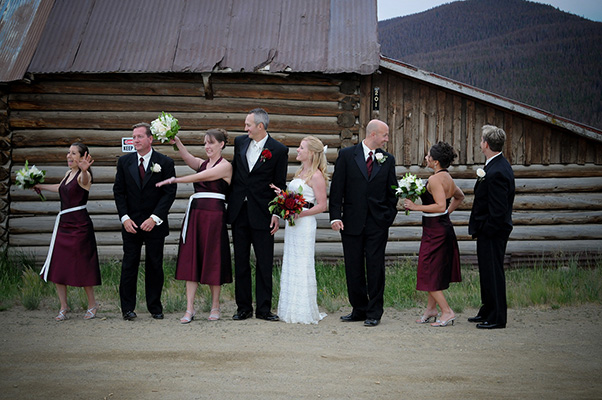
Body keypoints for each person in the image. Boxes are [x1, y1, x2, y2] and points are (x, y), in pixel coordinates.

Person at [156, 129, 232, 323]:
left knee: (213, 259)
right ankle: (189, 308)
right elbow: (189, 159)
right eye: (205, 143)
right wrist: (178, 142)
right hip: (196, 214)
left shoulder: (226, 166)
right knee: (193, 259)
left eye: (211, 143)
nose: (207, 146)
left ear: (221, 144)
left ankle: (215, 306)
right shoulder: (202, 163)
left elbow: (202, 177)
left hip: (214, 216)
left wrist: (175, 179)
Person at [329, 119, 398, 327]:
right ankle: (358, 309)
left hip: (377, 223)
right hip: (351, 222)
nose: (387, 139)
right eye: (385, 135)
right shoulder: (347, 156)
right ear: (373, 134)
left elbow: (392, 192)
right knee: (354, 266)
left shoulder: (388, 159)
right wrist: (335, 216)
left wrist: (387, 218)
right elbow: (337, 189)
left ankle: (374, 312)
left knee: (376, 267)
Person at [228, 108, 288, 321]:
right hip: (239, 212)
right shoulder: (240, 142)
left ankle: (264, 309)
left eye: (248, 125)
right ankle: (243, 308)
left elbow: (280, 185)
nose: (245, 129)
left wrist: (276, 214)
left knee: (264, 262)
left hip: (263, 213)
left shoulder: (279, 150)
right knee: (241, 261)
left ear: (260, 126)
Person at [113, 122, 177, 321]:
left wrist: (154, 218)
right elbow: (119, 192)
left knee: (155, 266)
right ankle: (127, 309)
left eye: (140, 136)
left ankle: (155, 307)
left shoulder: (165, 162)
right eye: (134, 137)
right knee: (129, 265)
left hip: (154, 225)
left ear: (150, 139)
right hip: (130, 224)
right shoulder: (124, 162)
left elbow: (169, 193)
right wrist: (124, 218)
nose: (136, 140)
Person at [34, 143, 101, 321]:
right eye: (68, 153)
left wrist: (85, 170)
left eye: (73, 153)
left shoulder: (83, 176)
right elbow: (61, 187)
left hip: (79, 226)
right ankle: (64, 306)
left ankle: (92, 304)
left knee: (83, 265)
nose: (69, 156)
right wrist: (41, 186)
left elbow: (85, 181)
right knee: (59, 265)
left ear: (82, 156)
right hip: (63, 225)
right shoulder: (68, 173)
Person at [403, 142, 465, 327]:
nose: (426, 158)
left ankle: (447, 311)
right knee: (434, 271)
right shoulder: (447, 177)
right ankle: (431, 309)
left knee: (427, 271)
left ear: (435, 161)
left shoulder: (436, 180)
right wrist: (445, 214)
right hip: (440, 227)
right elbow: (459, 197)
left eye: (428, 155)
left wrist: (416, 207)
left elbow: (440, 205)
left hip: (436, 231)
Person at [270, 136, 328, 324]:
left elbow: (322, 205)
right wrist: (283, 197)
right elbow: (296, 196)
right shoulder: (300, 172)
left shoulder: (316, 175)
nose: (297, 150)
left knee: (302, 263)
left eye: (301, 148)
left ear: (311, 153)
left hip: (304, 223)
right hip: (293, 223)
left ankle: (303, 310)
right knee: (291, 260)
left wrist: (300, 214)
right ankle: (289, 308)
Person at [468, 125, 515, 330]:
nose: (480, 143)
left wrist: (486, 229)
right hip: (488, 230)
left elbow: (498, 209)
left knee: (494, 272)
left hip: (493, 231)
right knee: (487, 272)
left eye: (481, 140)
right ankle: (487, 309)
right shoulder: (494, 166)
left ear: (486, 144)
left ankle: (497, 317)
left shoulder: (497, 171)